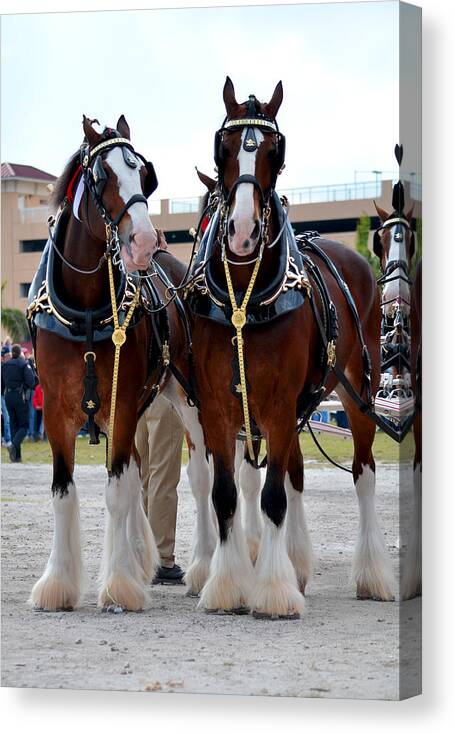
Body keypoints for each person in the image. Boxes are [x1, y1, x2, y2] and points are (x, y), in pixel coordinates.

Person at [134, 229, 185, 585]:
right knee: (163, 478)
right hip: (165, 390)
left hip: (136, 393)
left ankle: (139, 551)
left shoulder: (129, 282)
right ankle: (161, 557)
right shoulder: (165, 282)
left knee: (140, 475)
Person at [2, 344, 36, 462]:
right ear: (20, 353)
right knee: (24, 426)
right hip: (19, 396)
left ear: (12, 353)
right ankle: (13, 445)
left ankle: (16, 457)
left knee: (14, 425)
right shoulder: (23, 364)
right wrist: (24, 388)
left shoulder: (5, 365)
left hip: (7, 396)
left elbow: (2, 383)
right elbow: (31, 381)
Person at [1, 348, 12, 446]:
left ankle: (7, 438)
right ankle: (6, 438)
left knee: (7, 418)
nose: (8, 358)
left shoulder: (7, 366)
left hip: (5, 395)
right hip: (3, 394)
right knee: (6, 418)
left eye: (9, 356)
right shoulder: (3, 367)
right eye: (6, 356)